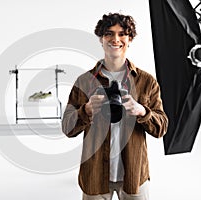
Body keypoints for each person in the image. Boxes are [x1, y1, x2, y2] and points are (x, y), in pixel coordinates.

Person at [62, 13, 168, 200]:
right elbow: (67, 128)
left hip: (135, 177)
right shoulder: (85, 81)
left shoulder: (146, 81)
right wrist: (85, 110)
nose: (115, 39)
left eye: (122, 34)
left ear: (130, 39)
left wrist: (142, 111)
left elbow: (162, 128)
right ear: (101, 39)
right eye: (109, 34)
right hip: (95, 176)